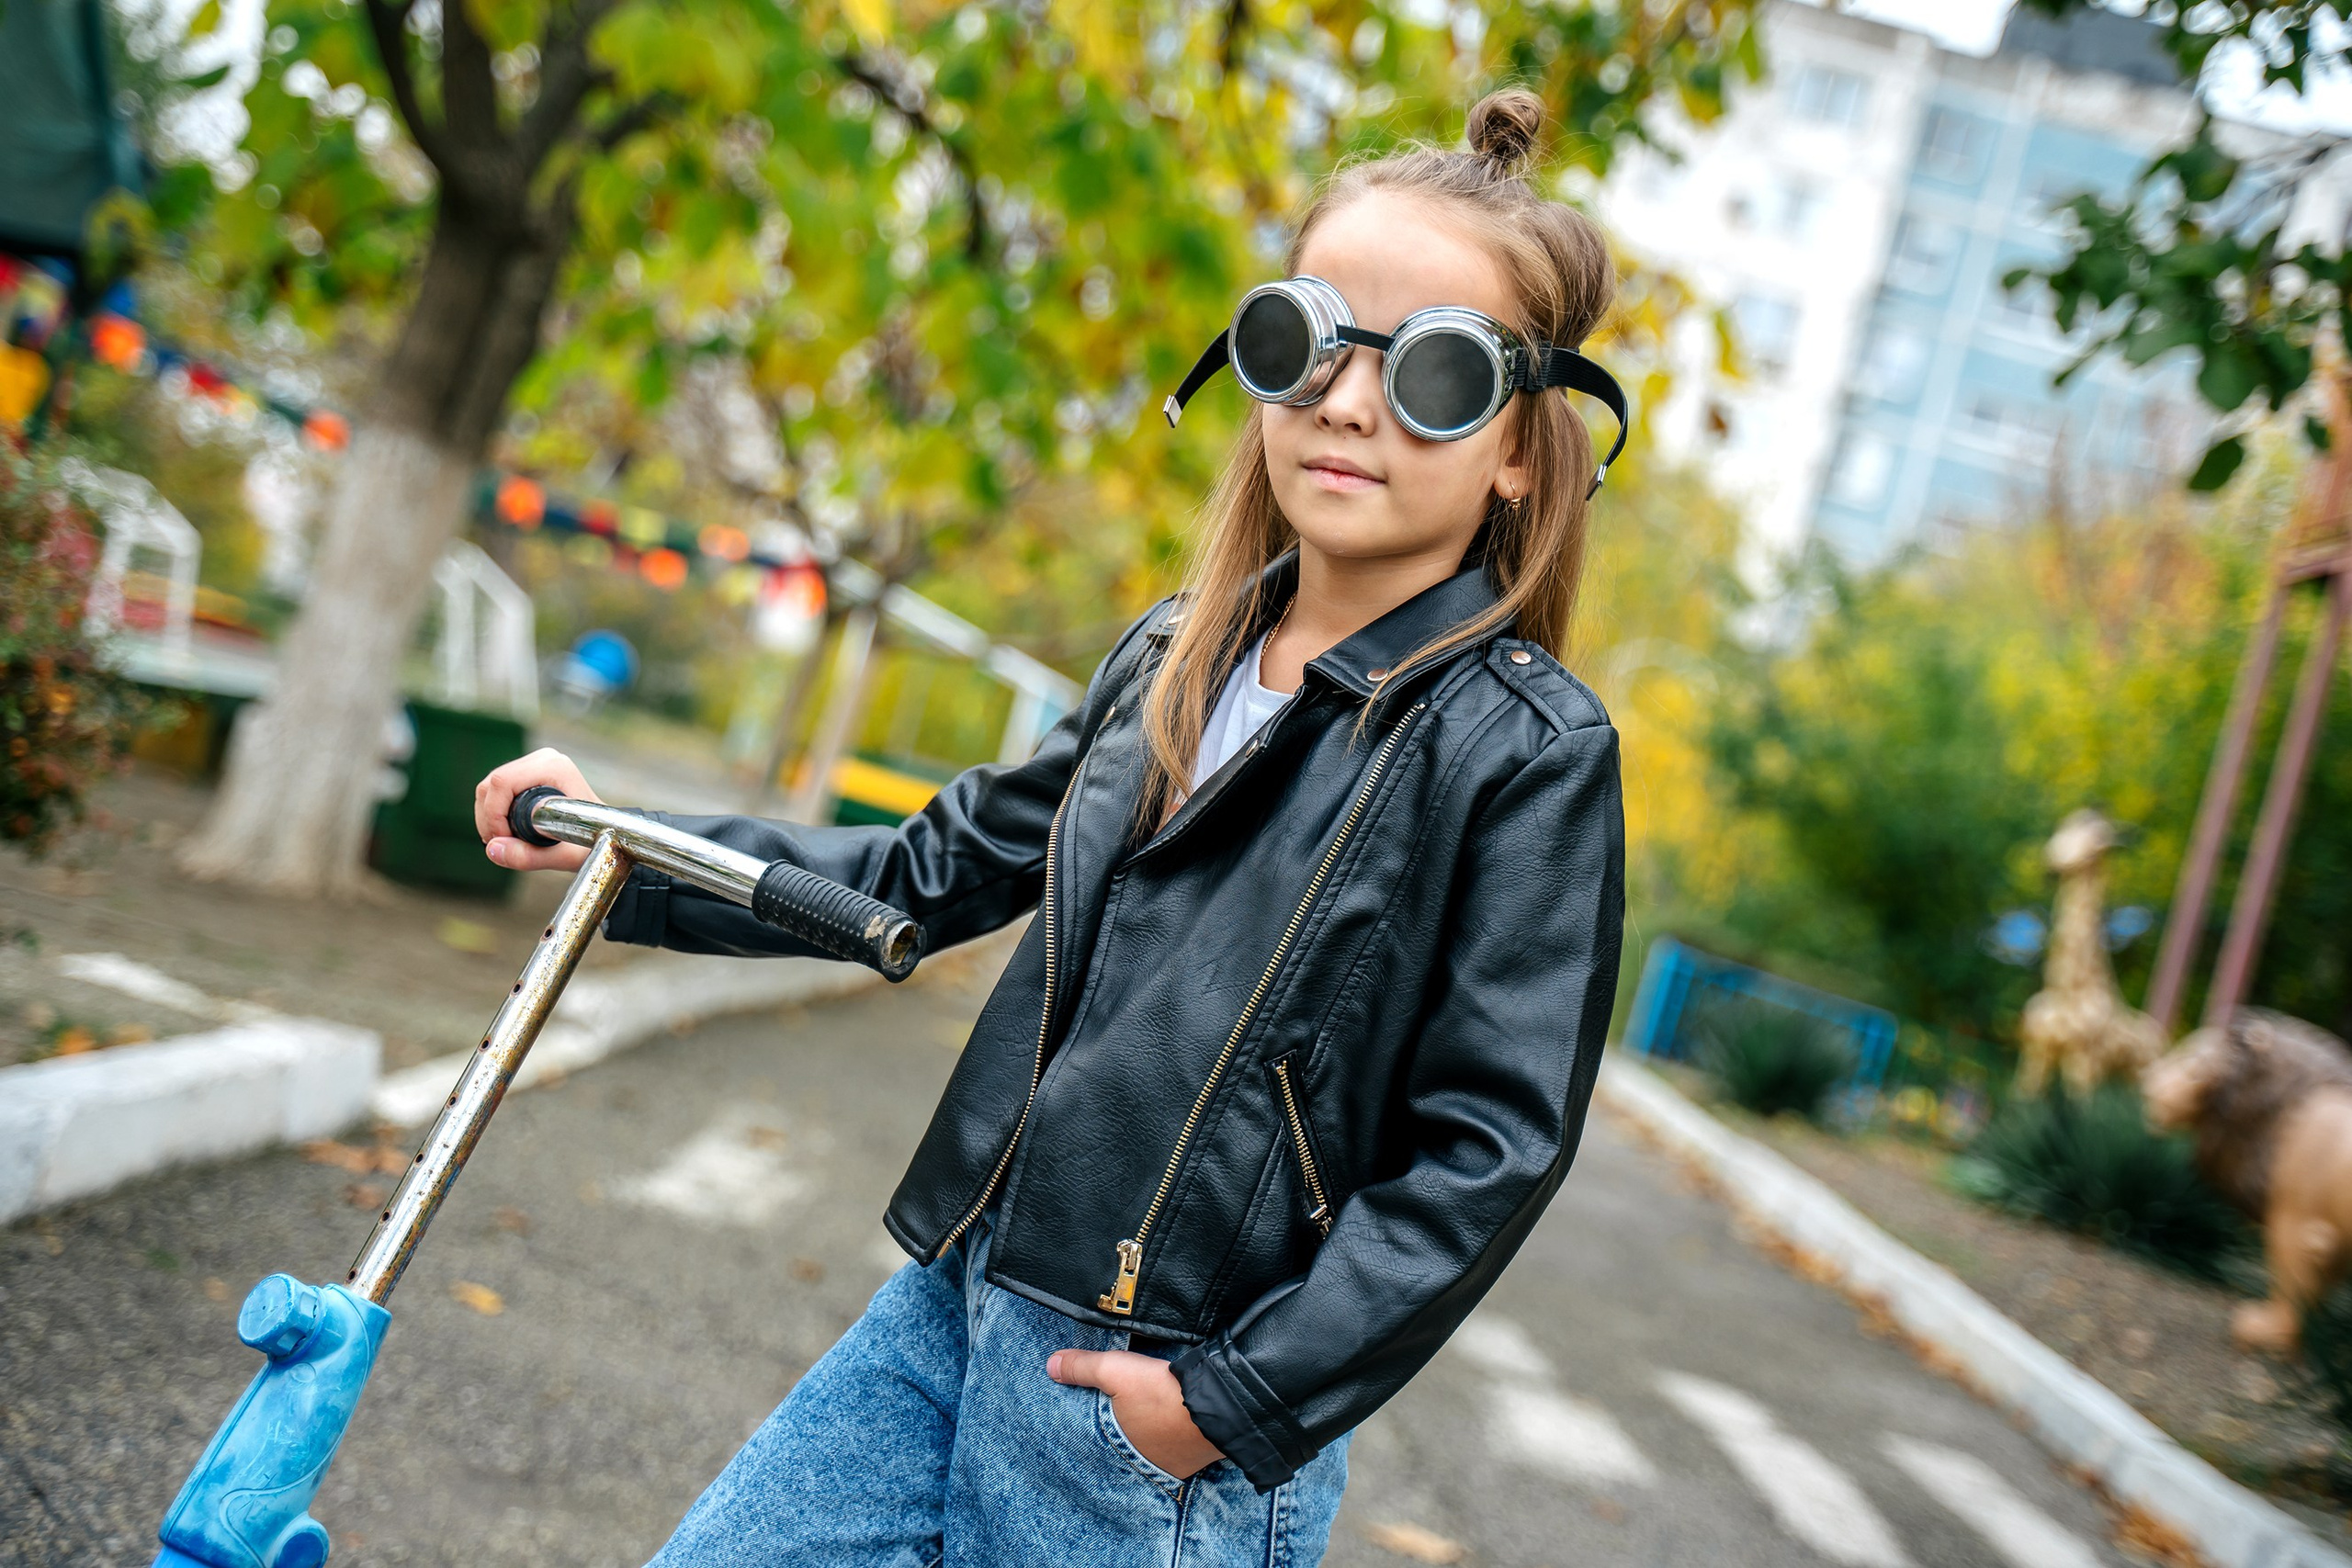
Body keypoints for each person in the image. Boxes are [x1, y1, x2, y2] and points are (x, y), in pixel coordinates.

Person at [473, 86, 1626, 1568]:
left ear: (1524, 446)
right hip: (960, 1298)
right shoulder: (1172, 658)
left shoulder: (1520, 749)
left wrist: (1232, 1401)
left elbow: (1490, 1146)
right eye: (1308, 341)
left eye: (1437, 375)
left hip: (1163, 1418)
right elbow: (922, 871)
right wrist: (623, 846)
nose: (1347, 402)